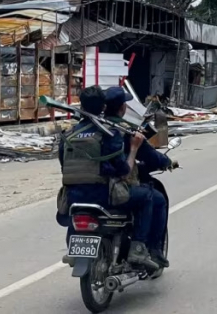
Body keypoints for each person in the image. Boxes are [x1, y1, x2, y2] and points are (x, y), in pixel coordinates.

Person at [56, 86, 157, 267]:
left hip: (72, 196)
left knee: (80, 198)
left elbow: (64, 166)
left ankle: (73, 246)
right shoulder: (110, 134)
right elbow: (124, 170)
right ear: (103, 107)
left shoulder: (69, 135)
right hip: (105, 195)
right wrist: (133, 149)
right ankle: (138, 248)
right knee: (147, 196)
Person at [103, 86, 173, 268]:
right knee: (154, 198)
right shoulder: (126, 132)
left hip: (85, 190)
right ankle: (146, 248)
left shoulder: (89, 129)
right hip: (115, 188)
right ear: (122, 108)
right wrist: (166, 162)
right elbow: (150, 156)